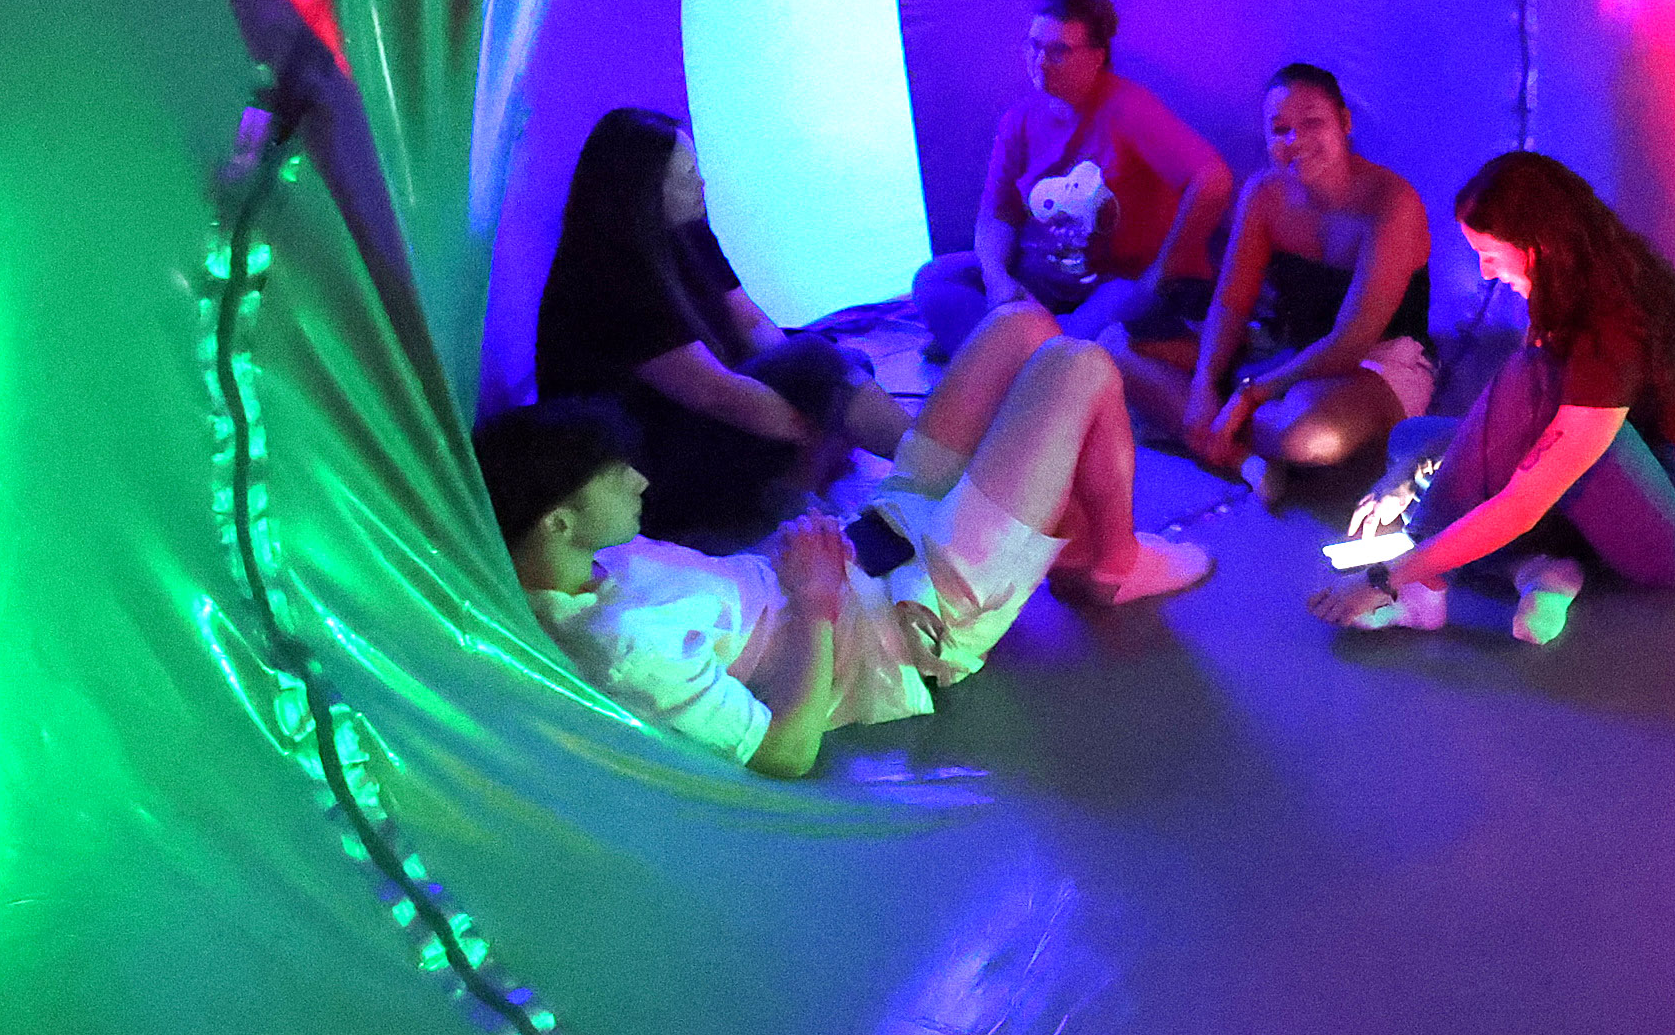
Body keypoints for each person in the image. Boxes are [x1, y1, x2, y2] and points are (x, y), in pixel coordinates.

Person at [480, 303, 1211, 777]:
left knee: (1022, 326)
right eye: (615, 478)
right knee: (1080, 366)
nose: (640, 481)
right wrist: (819, 601)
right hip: (919, 617)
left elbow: (740, 599)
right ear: (558, 520)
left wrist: (799, 541)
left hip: (876, 539)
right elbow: (786, 751)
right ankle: (1114, 563)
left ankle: (1063, 529)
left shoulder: (599, 558)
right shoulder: (623, 648)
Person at [1311, 150, 1675, 646]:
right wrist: (1406, 474)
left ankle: (1423, 586)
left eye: (1491, 254)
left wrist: (1386, 575)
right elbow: (1501, 430)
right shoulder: (1568, 282)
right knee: (1414, 437)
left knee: (1527, 393)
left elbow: (1524, 500)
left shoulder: (1611, 323)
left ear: (1538, 246)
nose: (1486, 273)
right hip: (1606, 472)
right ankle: (1541, 572)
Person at [535, 106, 915, 548]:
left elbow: (750, 322)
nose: (702, 183)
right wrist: (818, 424)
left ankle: (866, 473)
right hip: (645, 474)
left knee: (837, 362)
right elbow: (718, 396)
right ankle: (926, 465)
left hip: (696, 422)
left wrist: (815, 389)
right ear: (643, 190)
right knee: (819, 370)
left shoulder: (687, 233)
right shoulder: (608, 275)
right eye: (687, 174)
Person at [1122, 62, 1433, 483]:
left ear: (1344, 122)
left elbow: (1352, 339)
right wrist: (1203, 385)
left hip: (1375, 361)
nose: (1295, 140)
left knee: (1306, 434)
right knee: (1118, 349)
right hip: (1285, 346)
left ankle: (1222, 435)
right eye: (1280, 129)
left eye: (1311, 124)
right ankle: (1246, 461)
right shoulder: (1264, 194)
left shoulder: (1392, 203)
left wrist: (1250, 394)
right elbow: (1232, 303)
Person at [906, 0, 1235, 362]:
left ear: (1096, 58)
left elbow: (1212, 180)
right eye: (1034, 47)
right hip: (1041, 284)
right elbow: (998, 215)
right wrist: (999, 279)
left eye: (1058, 51)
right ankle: (1022, 359)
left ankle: (1004, 358)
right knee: (935, 279)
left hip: (1114, 286)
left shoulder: (1129, 109)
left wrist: (1160, 273)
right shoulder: (1020, 119)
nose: (1041, 62)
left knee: (1115, 316)